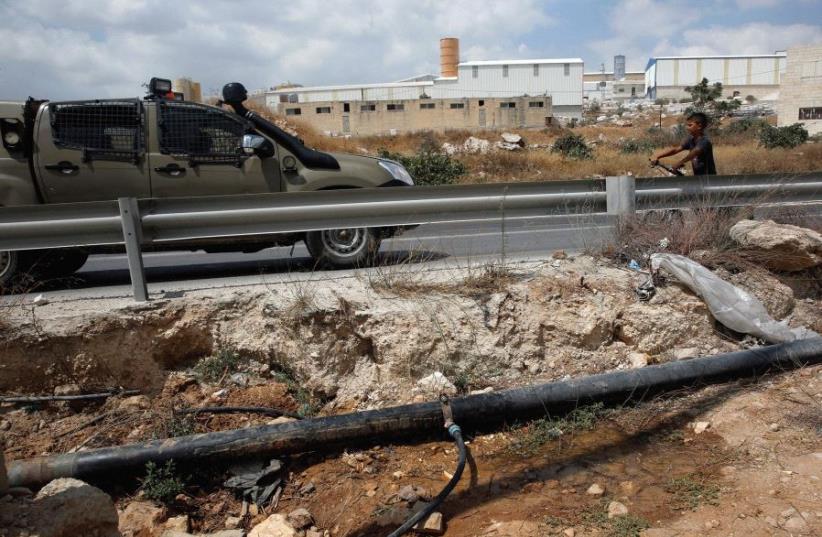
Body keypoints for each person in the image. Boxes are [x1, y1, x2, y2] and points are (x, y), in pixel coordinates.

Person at [651, 112, 716, 176]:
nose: (687, 128)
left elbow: (695, 152)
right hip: (698, 178)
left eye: (690, 125)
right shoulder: (690, 140)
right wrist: (657, 156)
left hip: (710, 179)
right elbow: (676, 149)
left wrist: (680, 163)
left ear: (699, 126)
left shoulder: (704, 141)